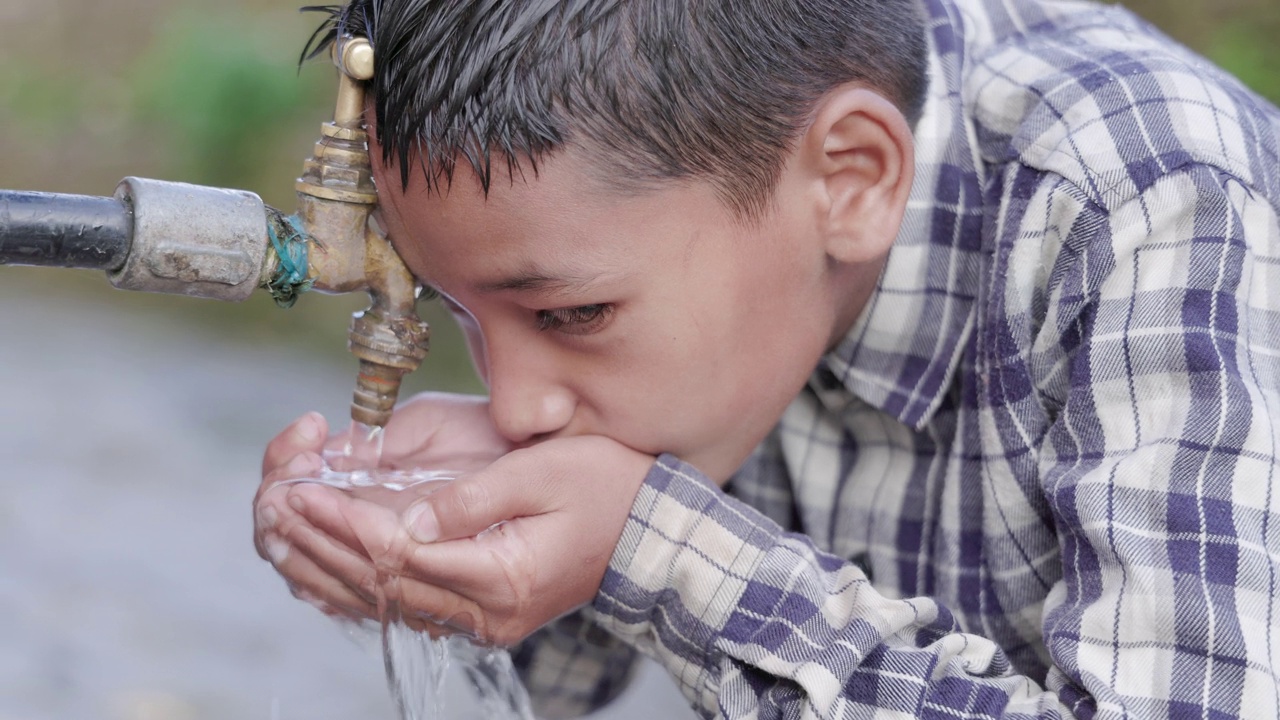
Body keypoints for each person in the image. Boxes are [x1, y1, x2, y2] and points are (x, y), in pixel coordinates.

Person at [252, 0, 1280, 716]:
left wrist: (646, 545)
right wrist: (438, 562)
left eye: (570, 315)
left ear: (850, 179)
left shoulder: (1152, 206)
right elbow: (537, 701)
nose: (513, 407)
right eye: (458, 313)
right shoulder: (716, 213)